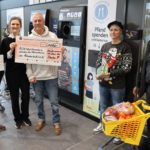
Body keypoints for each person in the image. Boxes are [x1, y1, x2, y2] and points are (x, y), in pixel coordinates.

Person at [93, 21, 132, 144]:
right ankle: (102, 124)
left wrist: (109, 74)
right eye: (111, 30)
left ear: (120, 32)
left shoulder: (125, 47)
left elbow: (127, 67)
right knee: (103, 106)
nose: (113, 32)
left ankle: (118, 133)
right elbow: (99, 62)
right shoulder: (105, 46)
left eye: (116, 30)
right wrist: (98, 74)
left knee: (118, 110)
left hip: (118, 85)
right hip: (103, 83)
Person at [26, 12, 62, 135]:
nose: (37, 23)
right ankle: (41, 119)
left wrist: (62, 51)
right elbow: (27, 61)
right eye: (35, 21)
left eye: (39, 20)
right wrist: (30, 75)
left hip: (51, 76)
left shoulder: (53, 37)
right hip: (37, 77)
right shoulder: (29, 38)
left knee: (54, 101)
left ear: (43, 21)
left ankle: (56, 122)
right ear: (33, 23)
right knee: (38, 101)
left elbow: (59, 56)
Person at [0, 16, 31, 129]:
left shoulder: (24, 39)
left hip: (24, 73)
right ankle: (17, 119)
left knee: (26, 96)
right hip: (11, 74)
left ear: (20, 26)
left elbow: (30, 55)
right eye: (13, 24)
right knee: (14, 97)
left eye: (17, 24)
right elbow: (3, 58)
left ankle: (25, 117)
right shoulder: (5, 41)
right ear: (9, 26)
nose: (15, 26)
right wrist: (11, 50)